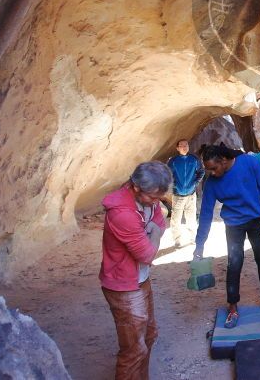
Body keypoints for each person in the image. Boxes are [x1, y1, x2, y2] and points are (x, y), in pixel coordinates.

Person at [193, 143, 260, 329]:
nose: (211, 173)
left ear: (223, 160)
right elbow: (205, 213)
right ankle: (232, 308)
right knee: (234, 264)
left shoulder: (248, 163)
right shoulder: (212, 183)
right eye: (208, 170)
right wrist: (200, 244)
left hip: (257, 220)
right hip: (234, 224)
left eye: (214, 168)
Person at [99, 161, 172, 380]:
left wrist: (155, 230)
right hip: (124, 286)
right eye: (153, 197)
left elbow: (160, 219)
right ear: (136, 187)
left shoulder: (148, 198)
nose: (156, 202)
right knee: (133, 350)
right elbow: (147, 255)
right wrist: (156, 233)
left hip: (140, 280)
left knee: (149, 335)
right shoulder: (122, 213)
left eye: (159, 197)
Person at [167, 139, 205, 247]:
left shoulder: (194, 159)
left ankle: (193, 238)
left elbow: (201, 171)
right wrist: (174, 185)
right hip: (178, 194)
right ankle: (177, 239)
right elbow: (168, 174)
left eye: (186, 145)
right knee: (176, 218)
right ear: (177, 148)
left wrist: (195, 183)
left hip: (191, 194)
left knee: (191, 217)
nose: (184, 147)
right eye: (182, 145)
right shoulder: (173, 161)